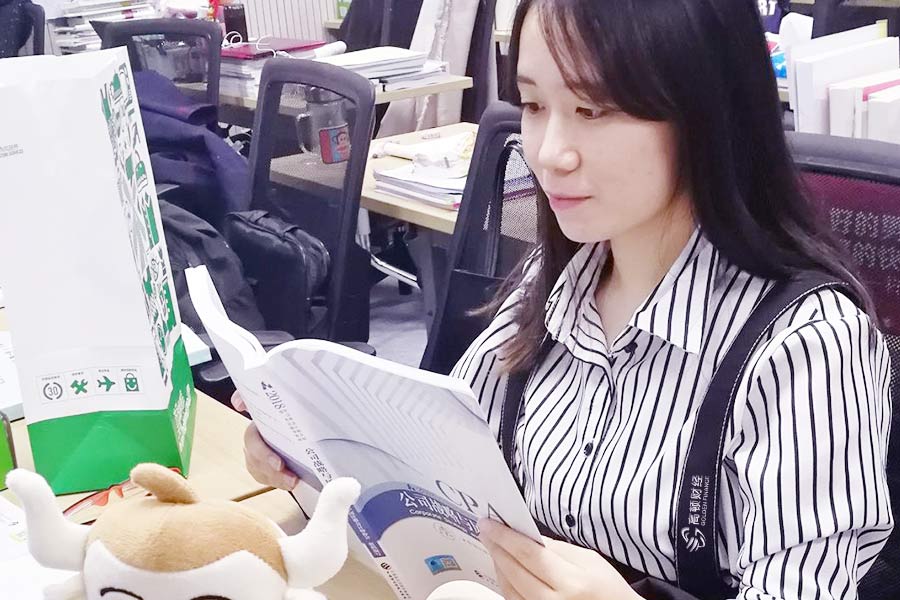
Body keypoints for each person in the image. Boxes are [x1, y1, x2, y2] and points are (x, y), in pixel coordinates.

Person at [236, 0, 893, 598]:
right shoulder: (550, 282)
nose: (548, 154)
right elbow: (438, 472)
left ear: (706, 114)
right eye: (532, 105)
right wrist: (311, 456)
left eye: (592, 110)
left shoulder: (808, 347)